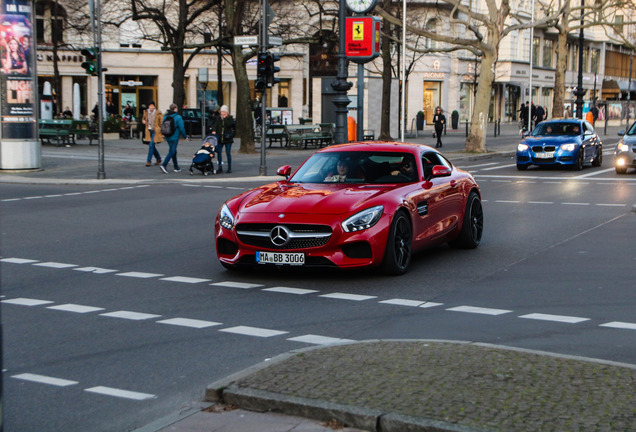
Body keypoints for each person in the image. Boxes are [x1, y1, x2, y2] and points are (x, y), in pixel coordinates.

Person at [159, 103, 188, 174]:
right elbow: (181, 128)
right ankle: (164, 164)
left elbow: (162, 126)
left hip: (167, 136)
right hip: (174, 137)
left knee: (173, 151)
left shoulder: (166, 116)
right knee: (172, 151)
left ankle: (176, 167)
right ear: (175, 109)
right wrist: (185, 136)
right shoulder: (178, 117)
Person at [211, 105, 235, 173]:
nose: (223, 113)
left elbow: (229, 125)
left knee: (228, 153)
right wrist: (214, 130)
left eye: (224, 112)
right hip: (220, 138)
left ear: (227, 112)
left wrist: (225, 118)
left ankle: (229, 168)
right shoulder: (218, 118)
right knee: (219, 152)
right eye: (222, 112)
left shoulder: (230, 118)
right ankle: (220, 167)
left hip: (228, 138)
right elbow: (216, 125)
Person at [142, 101, 163, 167]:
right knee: (152, 146)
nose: (151, 107)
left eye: (152, 106)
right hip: (148, 131)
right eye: (150, 106)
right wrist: (143, 121)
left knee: (151, 145)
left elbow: (161, 122)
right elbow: (143, 118)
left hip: (155, 131)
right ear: (149, 106)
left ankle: (148, 161)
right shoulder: (146, 112)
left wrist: (161, 131)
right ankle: (158, 158)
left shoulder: (158, 113)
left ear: (154, 106)